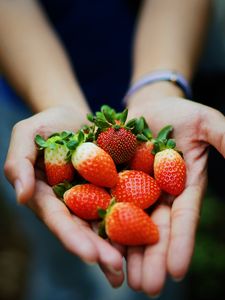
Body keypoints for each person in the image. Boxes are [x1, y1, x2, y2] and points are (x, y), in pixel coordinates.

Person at [1, 0, 224, 298]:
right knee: (61, 261)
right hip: (31, 98)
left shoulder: (140, 155)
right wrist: (57, 104)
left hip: (162, 56)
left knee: (153, 273)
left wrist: (158, 88)